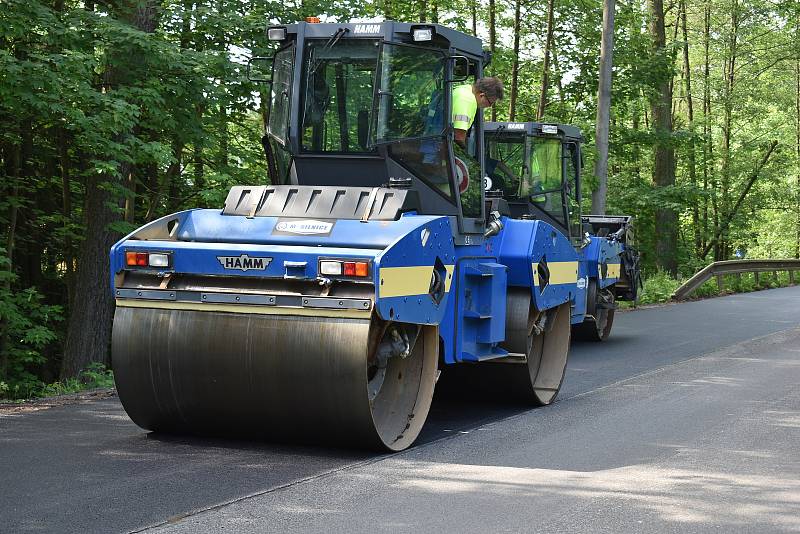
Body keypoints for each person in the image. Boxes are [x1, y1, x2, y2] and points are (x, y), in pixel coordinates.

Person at [451, 77, 504, 147]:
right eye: (490, 103)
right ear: (482, 95)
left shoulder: (462, 90)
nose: (489, 106)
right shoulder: (468, 100)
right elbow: (459, 136)